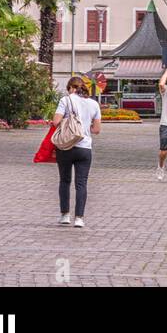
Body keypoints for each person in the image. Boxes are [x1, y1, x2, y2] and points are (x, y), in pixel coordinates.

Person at [53, 76, 102, 228]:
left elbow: (56, 122)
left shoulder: (65, 100)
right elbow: (96, 130)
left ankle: (65, 215)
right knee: (81, 183)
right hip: (84, 148)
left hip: (66, 147)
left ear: (70, 88)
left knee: (65, 181)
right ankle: (79, 218)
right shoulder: (94, 104)